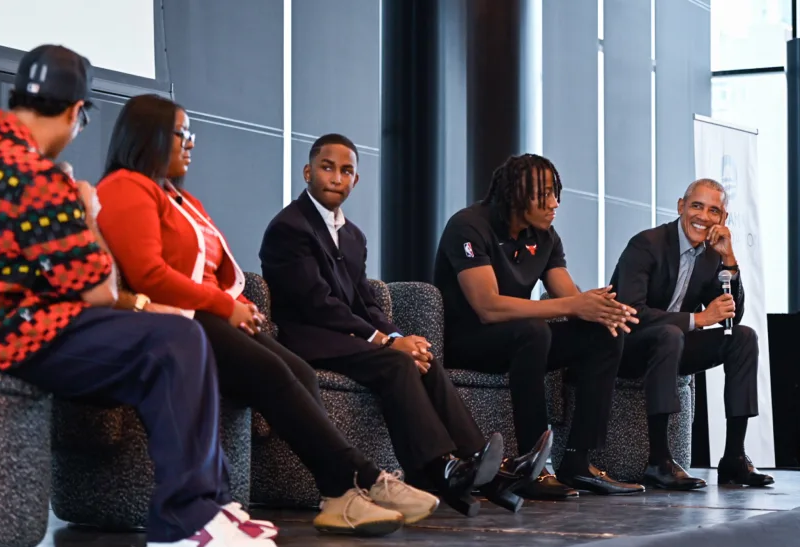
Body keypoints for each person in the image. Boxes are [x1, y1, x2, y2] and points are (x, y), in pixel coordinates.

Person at [0, 45, 279, 547]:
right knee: (177, 341)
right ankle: (184, 525)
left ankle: (212, 504)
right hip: (9, 336)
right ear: (76, 113)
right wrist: (87, 211)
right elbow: (96, 289)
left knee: (172, 334)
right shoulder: (38, 175)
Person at [96, 95, 440, 535]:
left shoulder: (182, 198)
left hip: (206, 312)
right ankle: (361, 482)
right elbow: (148, 273)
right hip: (171, 320)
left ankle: (338, 496)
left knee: (299, 371)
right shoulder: (126, 187)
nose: (191, 144)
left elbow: (220, 265)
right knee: (272, 373)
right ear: (148, 135)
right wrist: (225, 304)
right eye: (182, 134)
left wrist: (236, 300)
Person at [259, 134, 552, 517]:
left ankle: (486, 469)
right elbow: (318, 304)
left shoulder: (353, 236)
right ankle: (439, 470)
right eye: (327, 167)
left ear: (356, 181)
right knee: (397, 363)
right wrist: (382, 340)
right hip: (310, 338)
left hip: (347, 337)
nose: (336, 177)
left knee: (422, 355)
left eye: (346, 171)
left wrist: (399, 336)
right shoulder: (289, 227)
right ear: (307, 172)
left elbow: (364, 301)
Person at [434, 153, 645, 497]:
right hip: (468, 341)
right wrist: (572, 304)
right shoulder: (469, 225)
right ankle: (531, 467)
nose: (554, 203)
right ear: (517, 193)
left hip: (523, 342)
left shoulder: (545, 236)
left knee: (601, 336)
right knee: (534, 330)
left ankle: (577, 462)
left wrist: (599, 308)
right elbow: (486, 306)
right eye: (545, 194)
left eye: (555, 193)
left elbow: (566, 293)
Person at [611, 178, 773, 488]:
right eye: (696, 206)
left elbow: (731, 316)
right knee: (670, 335)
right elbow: (631, 312)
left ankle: (734, 458)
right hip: (628, 347)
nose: (703, 216)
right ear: (680, 207)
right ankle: (659, 461)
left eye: (713, 210)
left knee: (743, 337)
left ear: (722, 219)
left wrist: (729, 260)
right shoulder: (646, 244)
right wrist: (698, 319)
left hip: (674, 347)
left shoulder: (712, 256)